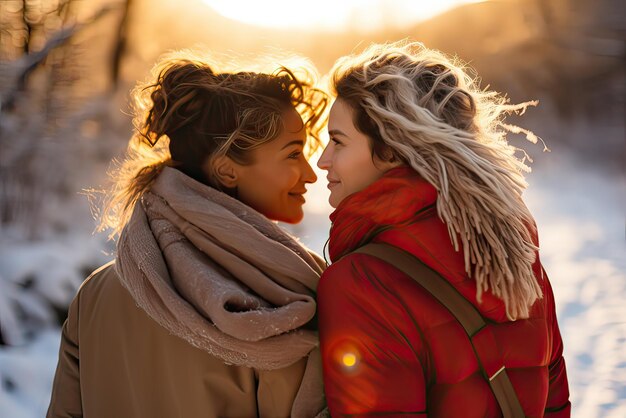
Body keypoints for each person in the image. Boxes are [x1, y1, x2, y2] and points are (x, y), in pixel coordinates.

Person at [47, 51, 329, 418]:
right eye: (293, 155)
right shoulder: (279, 302)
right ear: (228, 171)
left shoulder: (95, 296)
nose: (310, 174)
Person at [316, 42, 571, 417]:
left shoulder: (362, 283)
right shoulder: (512, 253)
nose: (323, 160)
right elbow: (554, 404)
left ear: (391, 151)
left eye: (337, 141)